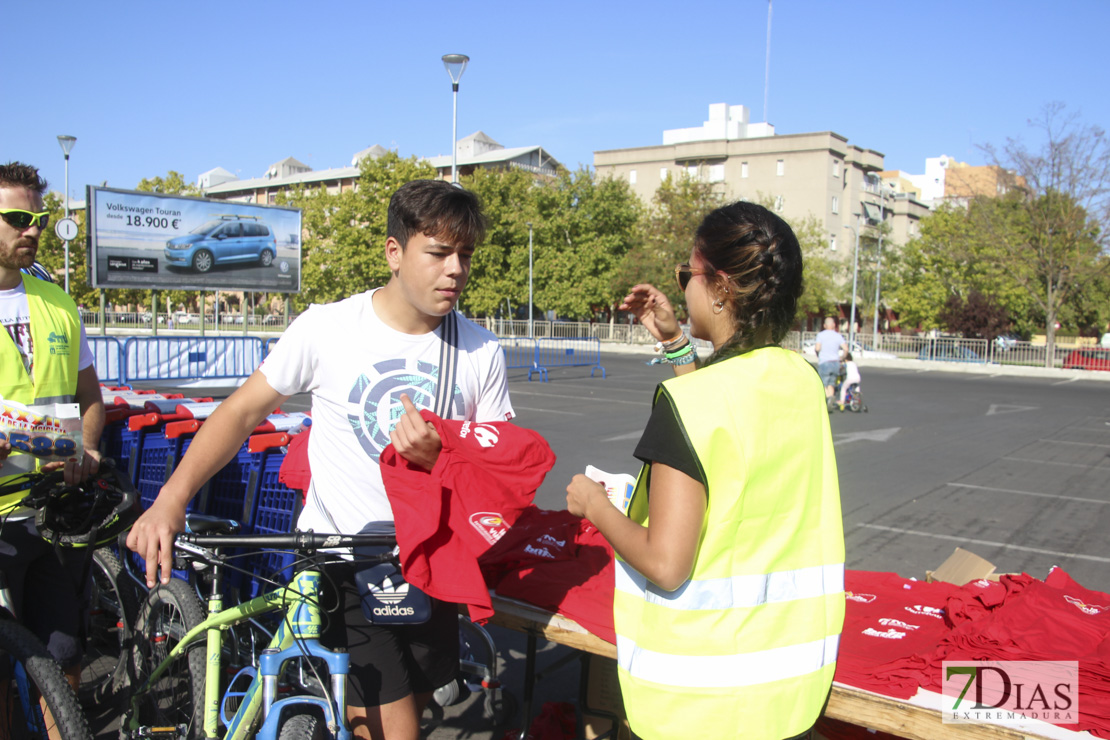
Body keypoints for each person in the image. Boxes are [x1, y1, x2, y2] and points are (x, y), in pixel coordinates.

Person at [126, 179, 514, 740]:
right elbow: (239, 414)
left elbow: (497, 470)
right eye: (438, 253)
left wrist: (442, 459)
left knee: (427, 695)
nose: (455, 269)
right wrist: (170, 499)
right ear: (393, 251)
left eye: (465, 255)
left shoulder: (480, 351)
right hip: (342, 560)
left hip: (430, 563)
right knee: (394, 730)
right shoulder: (327, 328)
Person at [566, 201, 845, 740]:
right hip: (789, 683)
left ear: (719, 287)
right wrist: (676, 343)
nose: (683, 289)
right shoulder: (802, 382)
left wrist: (594, 506)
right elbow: (730, 425)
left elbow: (666, 563)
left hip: (704, 699)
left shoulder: (687, 403)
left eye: (686, 275)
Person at [0, 161, 105, 690]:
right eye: (17, 217)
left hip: (47, 511)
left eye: (38, 218)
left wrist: (86, 447)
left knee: (63, 659)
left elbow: (89, 396)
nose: (33, 229)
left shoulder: (60, 305)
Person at [815, 315, 848, 407]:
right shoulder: (838, 336)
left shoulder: (821, 335)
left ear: (824, 325)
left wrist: (818, 355)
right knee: (831, 384)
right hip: (835, 362)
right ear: (833, 325)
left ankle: (827, 401)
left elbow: (817, 348)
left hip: (824, 361)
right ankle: (831, 399)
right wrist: (842, 358)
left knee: (824, 383)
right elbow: (846, 349)